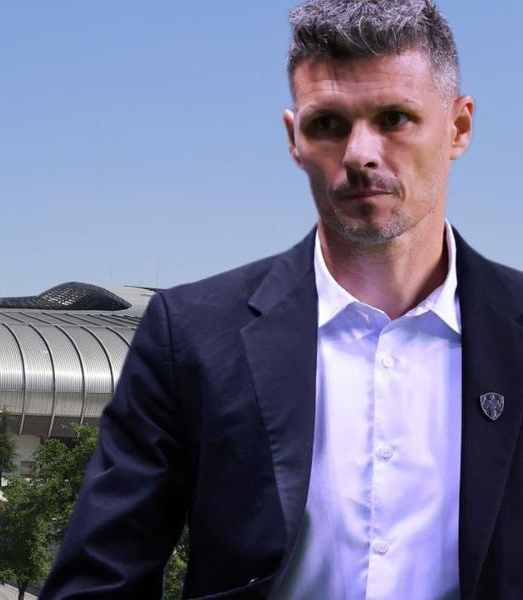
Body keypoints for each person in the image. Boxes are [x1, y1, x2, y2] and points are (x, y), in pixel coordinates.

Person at [40, 1, 523, 598]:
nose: (359, 154)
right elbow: (100, 580)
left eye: (395, 118)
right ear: (295, 139)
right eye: (328, 124)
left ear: (458, 127)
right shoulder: (190, 334)